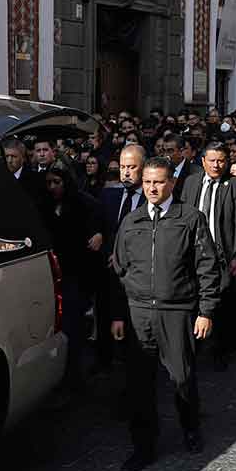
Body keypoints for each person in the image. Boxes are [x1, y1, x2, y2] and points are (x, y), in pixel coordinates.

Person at [110, 157, 221, 471]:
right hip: (138, 312)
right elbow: (119, 271)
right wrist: (119, 314)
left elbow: (207, 268)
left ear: (172, 182)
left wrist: (206, 311)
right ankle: (143, 445)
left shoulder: (190, 218)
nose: (152, 188)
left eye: (158, 182)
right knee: (139, 383)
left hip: (177, 311)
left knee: (182, 377)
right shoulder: (131, 222)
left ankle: (190, 428)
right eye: (147, 182)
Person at [180, 141, 236, 371]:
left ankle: (219, 350)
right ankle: (193, 346)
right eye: (212, 161)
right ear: (203, 162)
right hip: (193, 250)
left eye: (221, 160)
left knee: (221, 300)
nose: (217, 165)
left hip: (222, 252)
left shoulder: (235, 185)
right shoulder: (191, 182)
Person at [44, 163, 103, 390]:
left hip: (76, 276)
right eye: (48, 183)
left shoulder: (84, 204)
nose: (52, 187)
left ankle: (73, 377)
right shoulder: (45, 205)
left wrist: (97, 234)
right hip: (52, 274)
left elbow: (95, 232)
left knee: (72, 328)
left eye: (56, 182)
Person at [94, 144, 147, 373]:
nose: (125, 172)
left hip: (136, 277)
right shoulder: (109, 195)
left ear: (144, 169)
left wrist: (124, 255)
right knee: (104, 314)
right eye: (123, 167)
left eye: (132, 167)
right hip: (107, 273)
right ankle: (103, 360)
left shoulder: (152, 199)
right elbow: (101, 227)